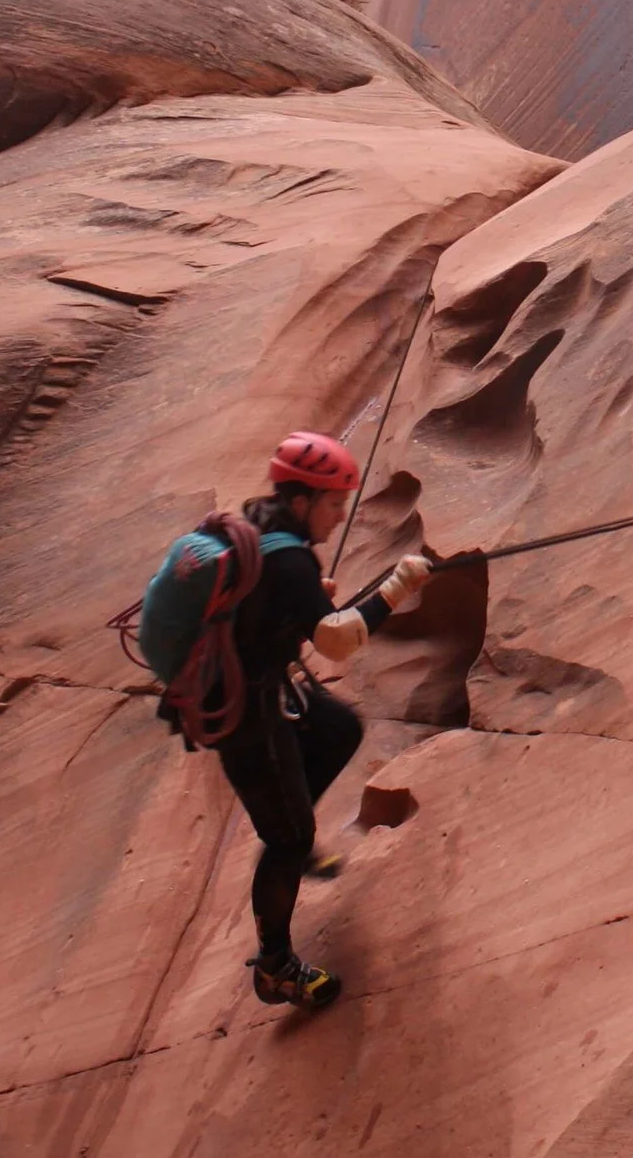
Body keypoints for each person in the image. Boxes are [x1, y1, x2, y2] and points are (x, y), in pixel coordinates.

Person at [158, 431, 432, 1008]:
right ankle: (276, 967)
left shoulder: (259, 527)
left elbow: (268, 600)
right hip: (246, 716)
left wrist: (300, 601)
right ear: (303, 501)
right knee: (287, 839)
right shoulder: (288, 559)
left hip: (246, 691)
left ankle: (290, 829)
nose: (339, 516)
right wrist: (399, 586)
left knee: (337, 730)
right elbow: (337, 640)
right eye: (333, 503)